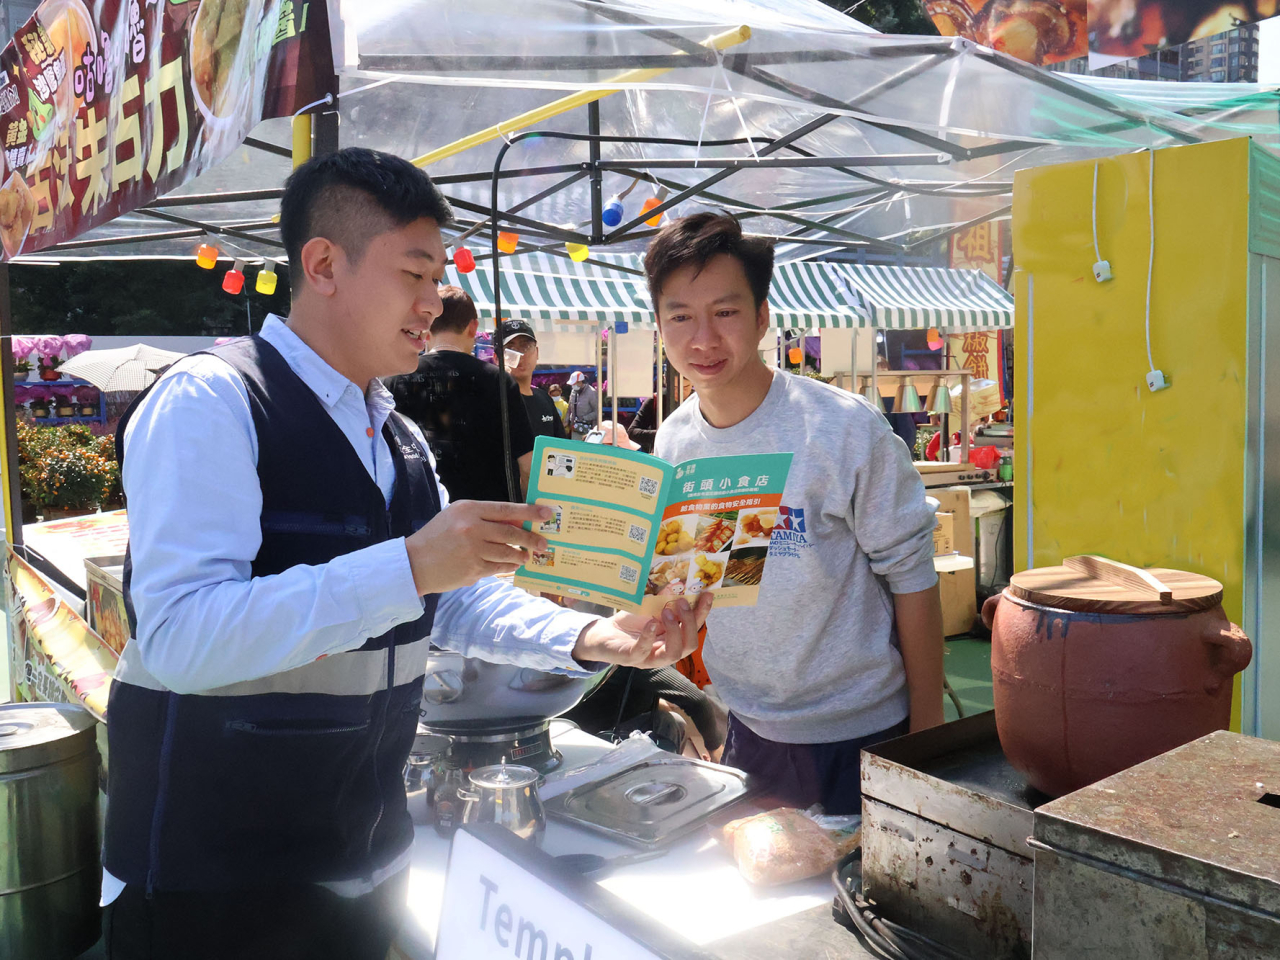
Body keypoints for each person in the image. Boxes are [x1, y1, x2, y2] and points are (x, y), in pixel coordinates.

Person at [101, 147, 712, 960]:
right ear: (323, 264)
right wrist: (414, 565)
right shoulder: (213, 401)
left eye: (437, 278)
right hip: (216, 880)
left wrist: (596, 639)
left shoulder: (397, 433)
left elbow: (449, 601)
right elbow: (179, 637)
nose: (435, 301)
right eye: (414, 274)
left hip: (363, 857)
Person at [646, 211, 944, 815]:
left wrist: (928, 742)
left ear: (761, 318)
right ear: (660, 326)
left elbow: (913, 577)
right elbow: (695, 581)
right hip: (747, 732)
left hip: (862, 733)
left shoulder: (842, 427)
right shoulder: (674, 442)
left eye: (725, 313)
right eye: (681, 317)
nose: (702, 339)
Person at [385, 286, 534, 502]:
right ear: (473, 327)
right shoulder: (499, 381)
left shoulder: (394, 379)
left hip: (419, 521)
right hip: (489, 520)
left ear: (428, 325)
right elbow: (527, 467)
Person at [501, 319, 566, 441]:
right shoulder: (493, 401)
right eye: (511, 349)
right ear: (497, 358)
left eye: (526, 346)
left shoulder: (545, 399)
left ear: (537, 353)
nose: (520, 355)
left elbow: (561, 447)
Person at [566, 369, 598, 440]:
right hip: (575, 427)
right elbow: (569, 407)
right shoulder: (573, 391)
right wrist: (567, 420)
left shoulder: (591, 392)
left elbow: (597, 412)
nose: (573, 386)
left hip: (588, 429)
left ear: (580, 382)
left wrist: (584, 418)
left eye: (575, 383)